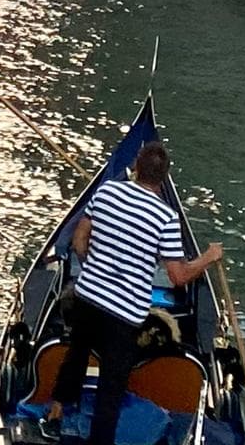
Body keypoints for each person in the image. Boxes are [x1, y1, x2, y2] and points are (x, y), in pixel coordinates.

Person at [47, 141, 223, 445]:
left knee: (76, 356)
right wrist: (208, 257)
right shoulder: (167, 219)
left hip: (88, 295)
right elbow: (178, 276)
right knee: (111, 386)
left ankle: (55, 415)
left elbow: (79, 238)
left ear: (136, 167)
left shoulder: (106, 192)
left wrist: (91, 267)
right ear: (164, 178)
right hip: (124, 313)